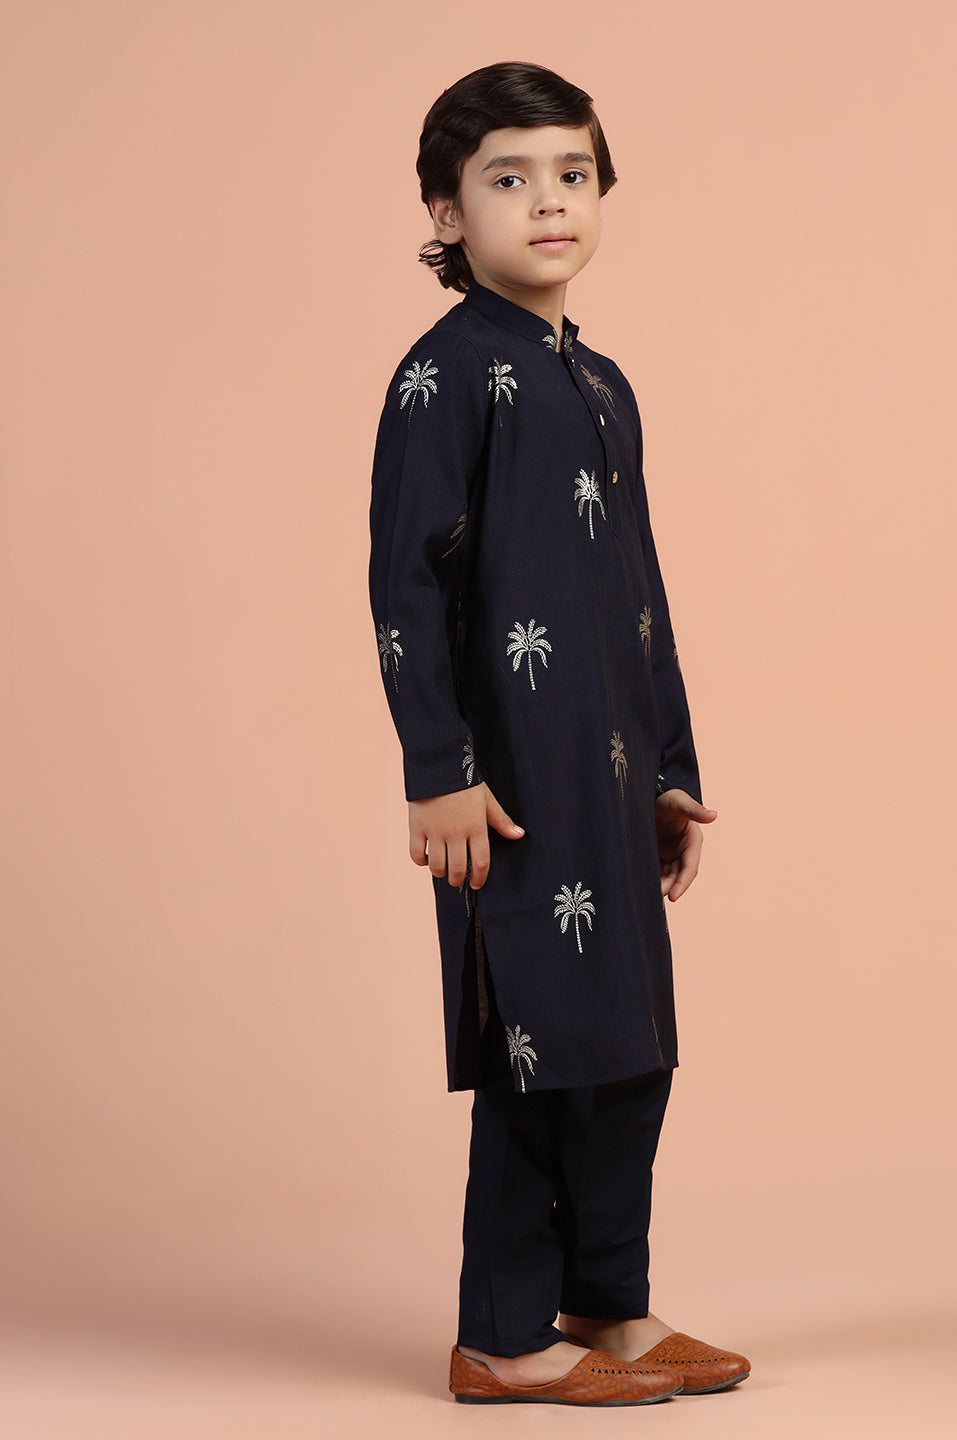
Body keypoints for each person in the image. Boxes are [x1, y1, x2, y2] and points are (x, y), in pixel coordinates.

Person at [368, 60, 751, 1407]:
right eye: (509, 178)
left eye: (573, 174)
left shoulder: (601, 383)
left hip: (608, 773)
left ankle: (607, 1302)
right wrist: (439, 773)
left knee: (628, 1044)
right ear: (447, 210)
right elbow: (406, 588)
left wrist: (671, 773)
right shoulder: (443, 377)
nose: (548, 203)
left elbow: (639, 594)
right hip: (512, 787)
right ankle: (503, 1335)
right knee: (534, 1051)